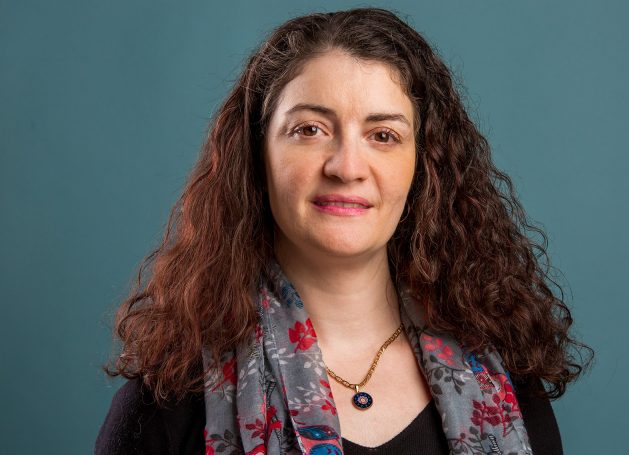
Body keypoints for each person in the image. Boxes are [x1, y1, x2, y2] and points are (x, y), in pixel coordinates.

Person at [96, 7, 591, 455]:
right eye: (310, 129)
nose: (347, 166)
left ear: (425, 167)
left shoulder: (508, 389)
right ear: (256, 156)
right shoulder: (165, 409)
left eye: (383, 136)